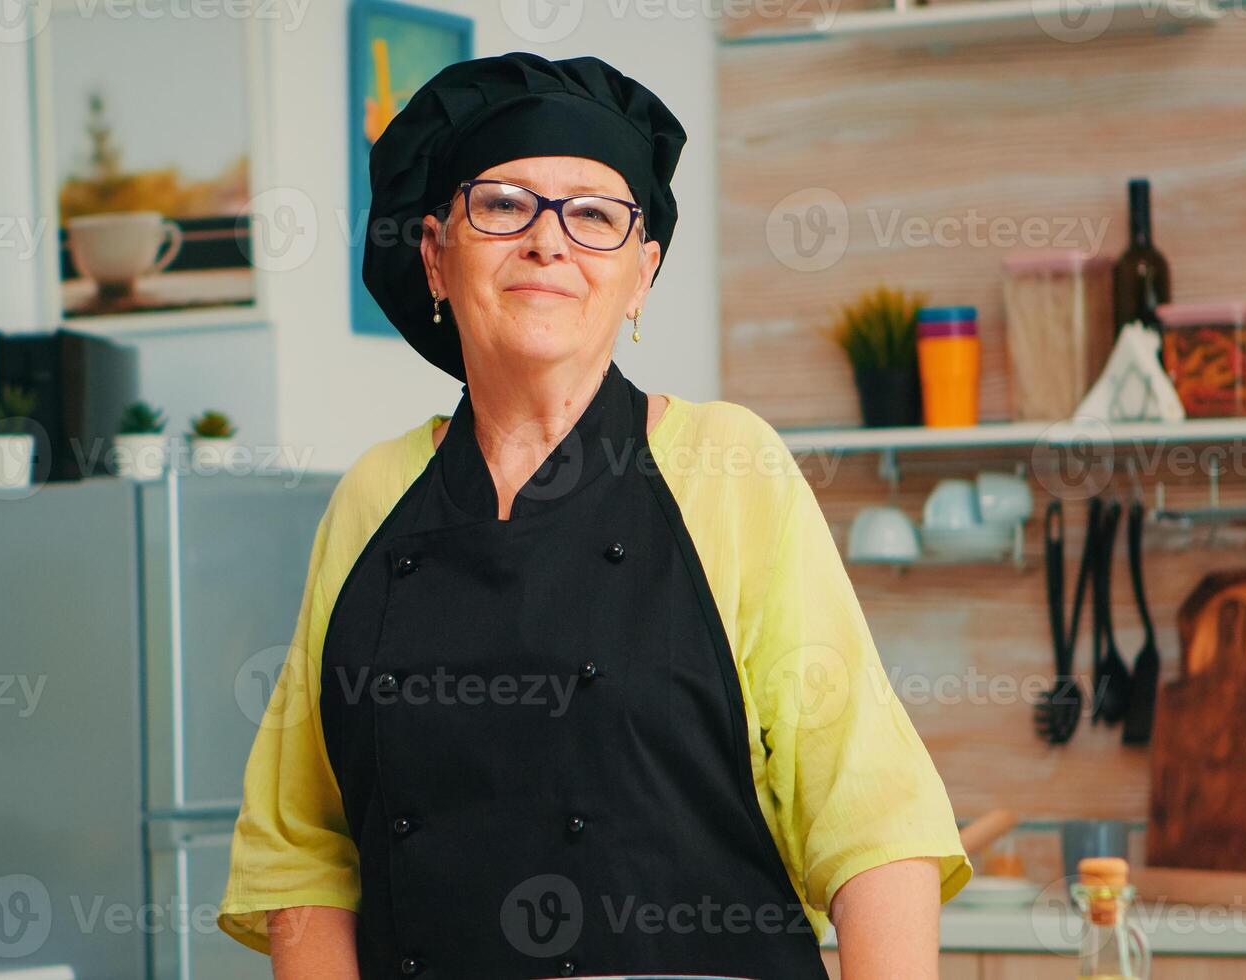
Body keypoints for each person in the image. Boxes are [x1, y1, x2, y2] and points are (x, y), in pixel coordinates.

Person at [217, 50, 972, 979]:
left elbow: (874, 824)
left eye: (595, 216)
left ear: (642, 274)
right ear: (434, 257)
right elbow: (302, 848)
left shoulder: (728, 466)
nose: (549, 242)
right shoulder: (373, 496)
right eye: (502, 205)